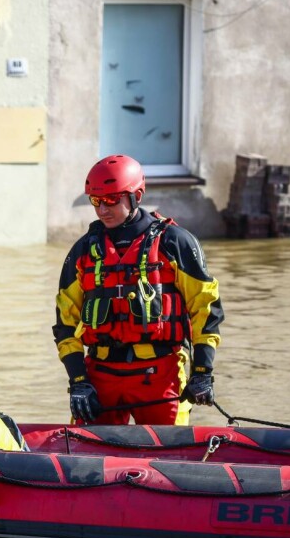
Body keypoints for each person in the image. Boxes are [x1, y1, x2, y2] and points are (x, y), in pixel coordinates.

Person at [53, 154, 224, 426]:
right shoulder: (83, 251)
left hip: (161, 373)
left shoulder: (176, 243)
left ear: (137, 196)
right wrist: (78, 381)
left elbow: (205, 309)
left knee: (169, 457)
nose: (102, 210)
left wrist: (202, 372)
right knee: (87, 457)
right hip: (100, 377)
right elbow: (65, 324)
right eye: (96, 201)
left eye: (111, 200)